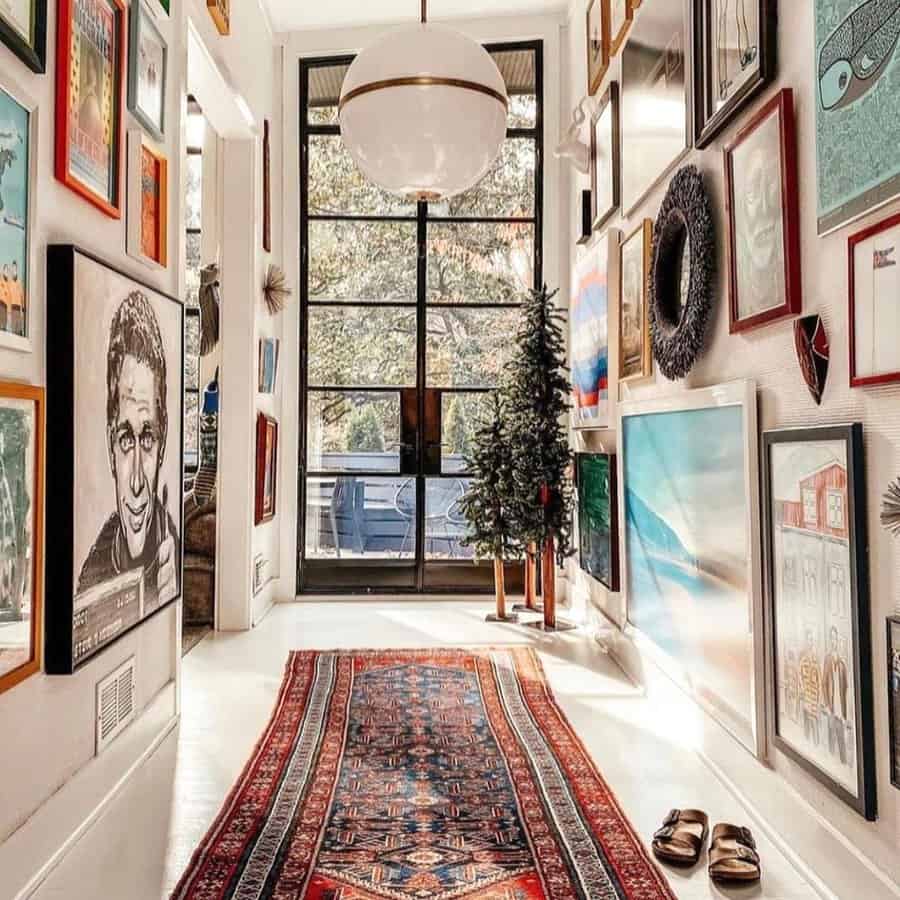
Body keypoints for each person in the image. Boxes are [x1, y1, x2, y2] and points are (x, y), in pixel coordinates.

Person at [77, 291, 179, 612]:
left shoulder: (170, 551)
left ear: (163, 446)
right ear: (111, 447)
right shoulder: (91, 578)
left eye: (147, 439)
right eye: (125, 440)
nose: (136, 481)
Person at [822, 626, 850, 765]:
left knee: (842, 742)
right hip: (831, 709)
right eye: (831, 638)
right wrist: (827, 705)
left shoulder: (842, 663)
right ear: (829, 640)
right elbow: (824, 683)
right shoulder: (827, 659)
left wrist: (846, 714)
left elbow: (845, 688)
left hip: (840, 710)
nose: (834, 641)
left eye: (835, 639)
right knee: (831, 739)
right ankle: (831, 763)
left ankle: (843, 765)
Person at [799, 630, 822, 746]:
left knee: (815, 724)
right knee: (807, 724)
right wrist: (803, 690)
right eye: (809, 639)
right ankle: (808, 744)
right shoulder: (803, 659)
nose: (811, 642)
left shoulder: (816, 659)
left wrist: (819, 698)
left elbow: (819, 679)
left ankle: (815, 746)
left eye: (812, 639)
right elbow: (800, 677)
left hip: (814, 697)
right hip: (806, 697)